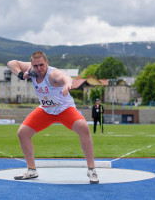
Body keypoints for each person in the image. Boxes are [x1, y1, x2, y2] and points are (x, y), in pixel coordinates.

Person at [7, 51, 99, 184]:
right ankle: (32, 170)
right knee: (23, 133)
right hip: (46, 110)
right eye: (36, 66)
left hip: (64, 109)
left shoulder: (52, 74)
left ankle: (91, 170)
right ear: (32, 65)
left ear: (47, 63)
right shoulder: (32, 69)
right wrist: (21, 75)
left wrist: (68, 84)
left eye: (42, 65)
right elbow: (11, 63)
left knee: (83, 127)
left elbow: (64, 76)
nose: (39, 69)